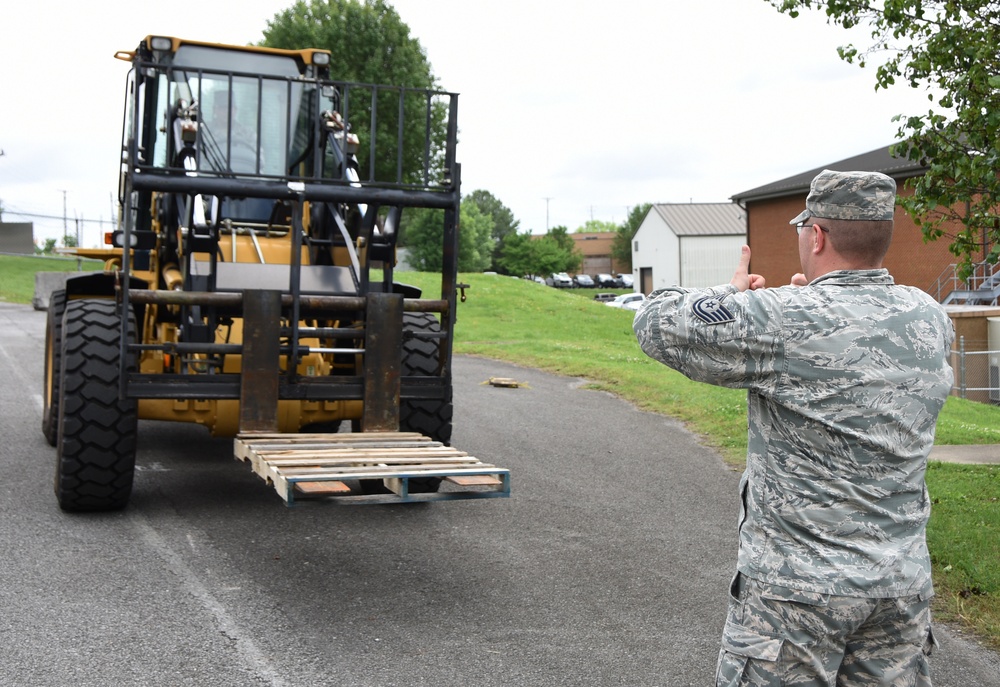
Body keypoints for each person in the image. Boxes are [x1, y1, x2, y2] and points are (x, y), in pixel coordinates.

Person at [633, 169, 954, 686]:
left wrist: (732, 295)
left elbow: (654, 322)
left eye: (803, 227)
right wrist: (805, 311)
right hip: (899, 588)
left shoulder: (785, 318)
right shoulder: (929, 316)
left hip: (796, 598)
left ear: (818, 235)